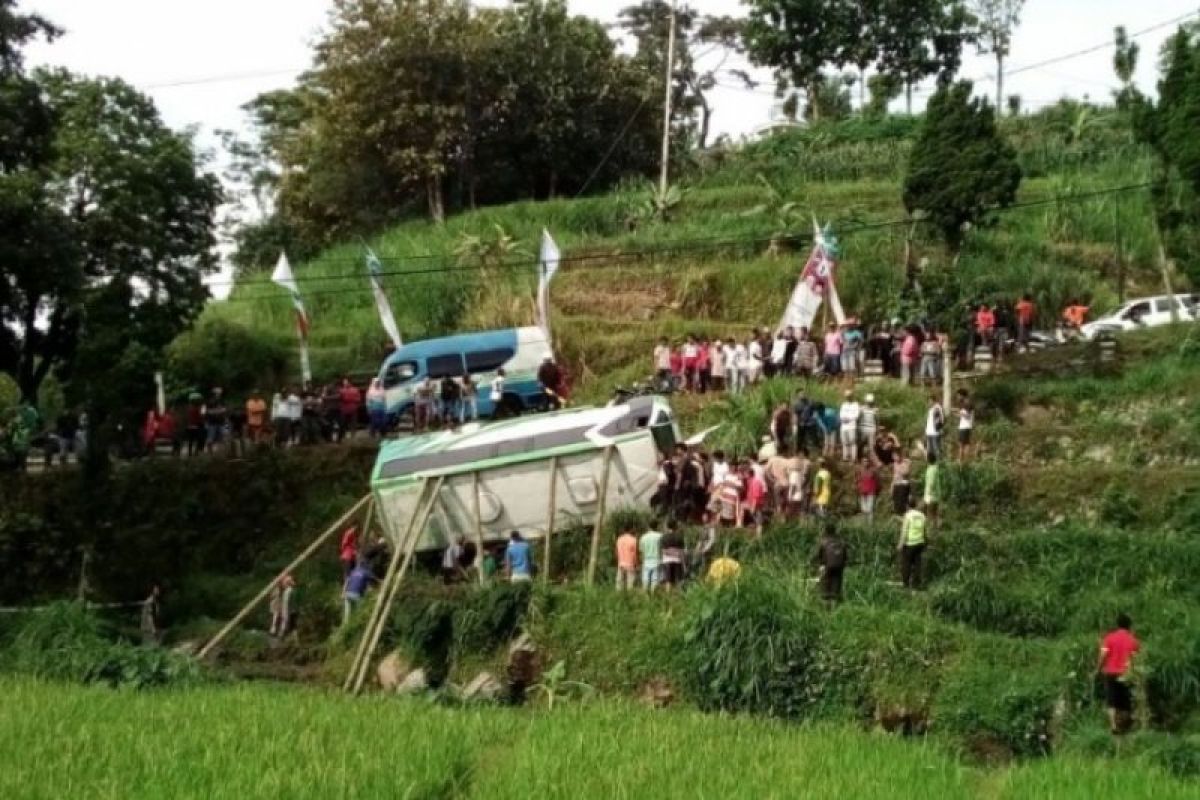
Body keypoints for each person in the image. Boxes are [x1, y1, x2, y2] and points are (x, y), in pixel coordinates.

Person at [1098, 613, 1140, 735]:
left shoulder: (1109, 638)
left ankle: (1113, 725)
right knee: (1125, 701)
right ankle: (1125, 726)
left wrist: (1098, 668)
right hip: (1126, 673)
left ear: (1117, 625)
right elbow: (1135, 659)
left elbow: (1103, 655)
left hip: (1110, 672)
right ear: (1129, 626)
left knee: (1111, 700)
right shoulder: (1133, 640)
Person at [812, 523, 848, 606]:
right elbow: (846, 556)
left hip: (826, 566)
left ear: (825, 531)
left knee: (825, 587)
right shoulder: (841, 541)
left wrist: (817, 563)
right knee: (836, 585)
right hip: (839, 567)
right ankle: (835, 607)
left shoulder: (823, 541)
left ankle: (826, 609)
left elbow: (817, 554)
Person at [897, 499, 927, 589]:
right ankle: (916, 584)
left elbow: (904, 531)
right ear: (916, 505)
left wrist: (900, 544)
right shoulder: (922, 515)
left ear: (907, 506)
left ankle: (905, 583)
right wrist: (926, 542)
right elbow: (924, 530)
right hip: (920, 542)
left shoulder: (908, 515)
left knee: (906, 563)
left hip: (910, 543)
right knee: (918, 564)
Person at [639, 525, 664, 592]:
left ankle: (645, 597)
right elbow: (662, 549)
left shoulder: (643, 537)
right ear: (657, 527)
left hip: (646, 560)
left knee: (645, 579)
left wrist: (642, 561)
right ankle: (653, 595)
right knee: (655, 579)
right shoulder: (660, 536)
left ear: (648, 527)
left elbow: (641, 550)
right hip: (657, 559)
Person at [838, 391, 861, 463]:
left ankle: (853, 458)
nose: (848, 397)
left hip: (852, 426)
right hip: (844, 426)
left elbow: (857, 415)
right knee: (844, 442)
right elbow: (841, 414)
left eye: (849, 396)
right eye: (847, 396)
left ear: (852, 396)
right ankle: (845, 457)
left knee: (852, 442)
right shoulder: (843, 404)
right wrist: (843, 418)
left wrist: (848, 418)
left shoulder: (856, 404)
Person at [661, 523, 686, 589]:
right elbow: (682, 551)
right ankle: (678, 595)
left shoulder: (664, 537)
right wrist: (684, 564)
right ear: (676, 527)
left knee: (668, 580)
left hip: (667, 560)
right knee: (678, 579)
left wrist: (670, 552)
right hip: (677, 560)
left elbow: (664, 551)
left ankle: (668, 596)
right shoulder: (680, 537)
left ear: (667, 527)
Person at [923, 454, 943, 531]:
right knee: (934, 514)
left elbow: (930, 484)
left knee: (930, 514)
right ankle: (935, 529)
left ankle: (932, 530)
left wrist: (927, 496)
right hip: (936, 496)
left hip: (931, 496)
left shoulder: (931, 470)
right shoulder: (935, 468)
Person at [925, 394, 945, 460]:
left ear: (933, 401)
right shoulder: (930, 409)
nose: (929, 402)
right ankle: (931, 463)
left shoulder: (938, 408)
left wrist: (939, 428)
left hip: (935, 432)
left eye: (930, 401)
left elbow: (941, 420)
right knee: (930, 450)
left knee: (936, 449)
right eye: (928, 401)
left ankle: (939, 463)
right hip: (929, 432)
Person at [957, 392, 975, 461]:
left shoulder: (967, 404)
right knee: (966, 444)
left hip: (964, 427)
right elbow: (966, 416)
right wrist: (957, 413)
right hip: (966, 426)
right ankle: (964, 461)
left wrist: (960, 413)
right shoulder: (965, 404)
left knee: (962, 444)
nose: (958, 397)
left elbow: (967, 416)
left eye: (958, 395)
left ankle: (961, 460)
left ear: (962, 396)